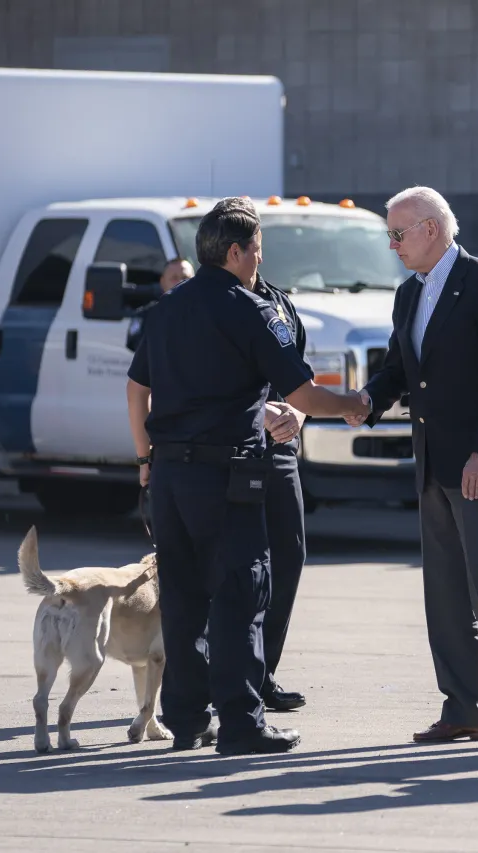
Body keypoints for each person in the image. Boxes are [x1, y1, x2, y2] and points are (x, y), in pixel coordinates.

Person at [126, 197, 369, 756]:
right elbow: (302, 394)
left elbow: (137, 388)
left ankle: (186, 720)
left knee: (184, 595)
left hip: (169, 476)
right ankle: (240, 724)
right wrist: (355, 402)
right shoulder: (249, 310)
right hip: (226, 475)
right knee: (240, 592)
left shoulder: (165, 310)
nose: (260, 262)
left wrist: (144, 459)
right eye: (257, 251)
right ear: (235, 253)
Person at [346, 186, 478, 749]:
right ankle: (465, 708)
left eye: (397, 233)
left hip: (475, 464)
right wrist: (366, 401)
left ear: (431, 228)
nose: (392, 245)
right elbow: (399, 368)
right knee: (443, 593)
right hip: (431, 461)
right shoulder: (408, 294)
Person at [251, 272, 311, 714]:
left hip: (280, 452)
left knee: (288, 557)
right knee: (229, 566)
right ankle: (207, 677)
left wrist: (298, 415)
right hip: (228, 450)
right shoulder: (208, 301)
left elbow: (300, 380)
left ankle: (261, 674)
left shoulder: (279, 303)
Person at [125, 258, 195, 352]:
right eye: (174, 278)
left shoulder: (208, 315)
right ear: (163, 282)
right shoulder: (146, 317)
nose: (180, 282)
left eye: (185, 277)